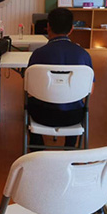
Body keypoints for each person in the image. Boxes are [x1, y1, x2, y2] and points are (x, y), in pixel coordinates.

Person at [28, 8, 93, 147]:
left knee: (29, 102)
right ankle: (70, 147)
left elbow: (29, 89)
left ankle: (37, 147)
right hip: (73, 115)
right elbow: (90, 90)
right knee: (77, 101)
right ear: (71, 29)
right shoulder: (83, 55)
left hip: (42, 115)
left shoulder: (38, 54)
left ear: (48, 27)